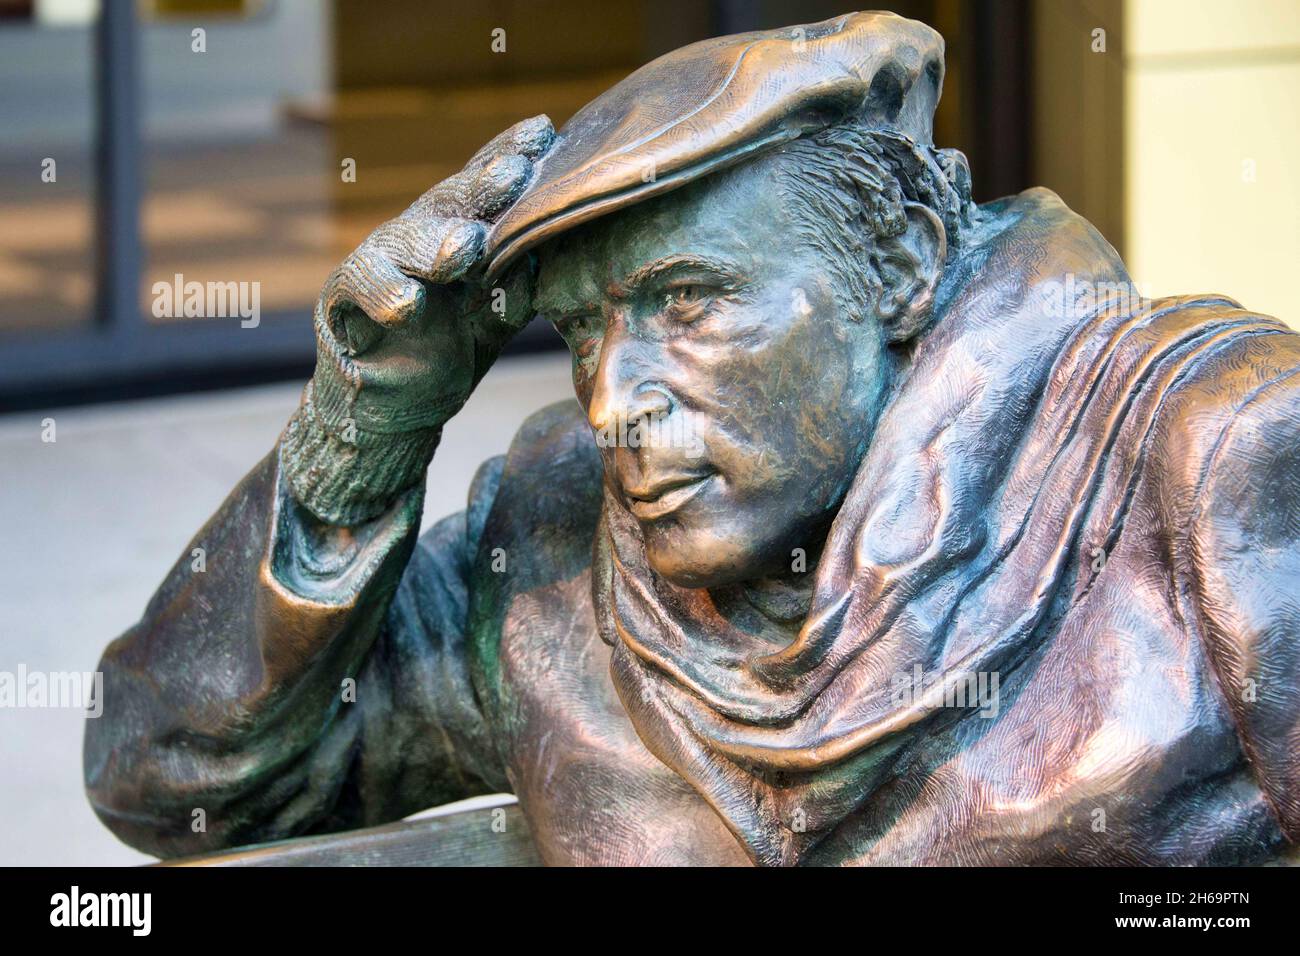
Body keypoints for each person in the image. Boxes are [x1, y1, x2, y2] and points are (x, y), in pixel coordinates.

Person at [85, 11, 1300, 866]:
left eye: (686, 301)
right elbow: (163, 778)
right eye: (581, 330)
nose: (614, 400)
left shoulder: (1212, 458)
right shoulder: (554, 553)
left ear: (901, 266)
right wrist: (363, 428)